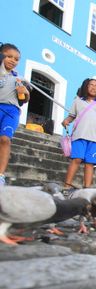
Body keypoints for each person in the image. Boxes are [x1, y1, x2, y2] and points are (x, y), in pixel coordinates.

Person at [61, 78, 96, 190]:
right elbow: (72, 116)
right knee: (77, 159)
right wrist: (66, 121)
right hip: (79, 136)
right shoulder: (78, 101)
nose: (93, 87)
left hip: (95, 139)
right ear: (86, 86)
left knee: (90, 163)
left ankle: (87, 188)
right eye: (91, 85)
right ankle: (67, 185)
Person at [0, 43, 30, 186]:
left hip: (11, 111)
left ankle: (0, 175)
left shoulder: (19, 78)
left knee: (5, 139)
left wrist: (23, 91)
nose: (13, 60)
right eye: (9, 56)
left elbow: (25, 99)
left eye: (17, 59)